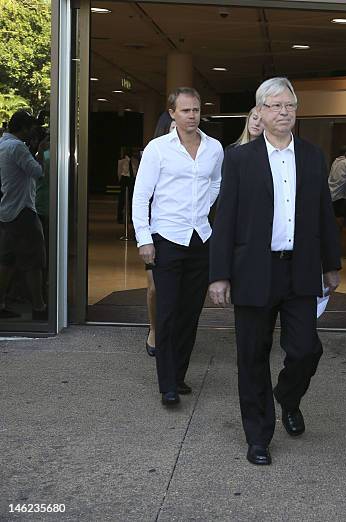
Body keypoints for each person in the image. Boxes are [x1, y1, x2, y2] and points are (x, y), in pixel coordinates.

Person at [209, 77, 341, 466]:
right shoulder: (239, 159)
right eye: (276, 106)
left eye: (290, 106)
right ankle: (258, 436)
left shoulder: (314, 156)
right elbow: (225, 219)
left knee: (305, 350)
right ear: (260, 112)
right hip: (253, 270)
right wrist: (219, 275)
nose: (284, 112)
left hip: (299, 271)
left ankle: (287, 397)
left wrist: (331, 265)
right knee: (252, 355)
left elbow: (324, 215)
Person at [132, 87, 223, 406]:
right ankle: (167, 384)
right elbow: (141, 196)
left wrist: (202, 208)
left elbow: (216, 183)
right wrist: (144, 238)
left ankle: (179, 375)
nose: (192, 116)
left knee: (190, 313)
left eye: (196, 110)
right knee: (168, 312)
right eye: (185, 110)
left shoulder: (214, 148)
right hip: (166, 240)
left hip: (201, 239)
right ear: (172, 113)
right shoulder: (158, 149)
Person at [0, 110, 47, 320]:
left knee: (7, 261)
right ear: (23, 128)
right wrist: (41, 151)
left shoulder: (3, 144)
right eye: (30, 129)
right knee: (34, 260)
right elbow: (37, 172)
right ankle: (39, 307)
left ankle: (2, 303)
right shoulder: (17, 147)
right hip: (23, 210)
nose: (32, 133)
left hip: (7, 209)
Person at [143, 111, 176, 357]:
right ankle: (154, 329)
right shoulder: (154, 152)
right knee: (155, 287)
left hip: (182, 234)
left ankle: (172, 332)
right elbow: (142, 197)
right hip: (156, 231)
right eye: (172, 126)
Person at [328, 146, 346, 219]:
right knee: (344, 219)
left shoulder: (335, 162)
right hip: (343, 195)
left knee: (335, 218)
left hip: (332, 194)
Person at [117, 147, 139, 224]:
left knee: (131, 199)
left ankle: (132, 217)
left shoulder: (135, 161)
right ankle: (119, 217)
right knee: (122, 199)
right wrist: (120, 180)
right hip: (124, 178)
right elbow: (119, 171)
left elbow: (136, 171)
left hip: (132, 179)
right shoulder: (122, 161)